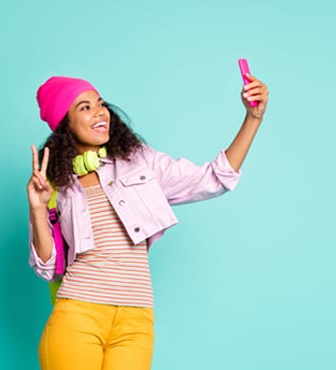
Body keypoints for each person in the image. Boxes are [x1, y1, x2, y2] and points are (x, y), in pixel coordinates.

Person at [26, 73, 269, 370]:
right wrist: (38, 208)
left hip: (135, 321)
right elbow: (48, 268)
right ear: (65, 124)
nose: (100, 112)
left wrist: (253, 118)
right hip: (78, 314)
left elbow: (214, 179)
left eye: (101, 104)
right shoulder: (55, 185)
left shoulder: (140, 162)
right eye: (85, 107)